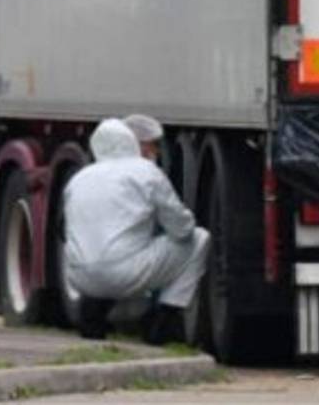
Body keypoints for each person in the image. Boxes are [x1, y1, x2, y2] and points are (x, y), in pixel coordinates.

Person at [63, 117, 210, 345]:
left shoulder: (78, 179)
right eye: (152, 145)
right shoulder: (146, 172)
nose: (156, 151)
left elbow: (64, 229)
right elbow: (182, 229)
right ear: (132, 143)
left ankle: (92, 317)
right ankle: (165, 320)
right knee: (199, 239)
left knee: (102, 255)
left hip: (78, 278)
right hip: (124, 273)